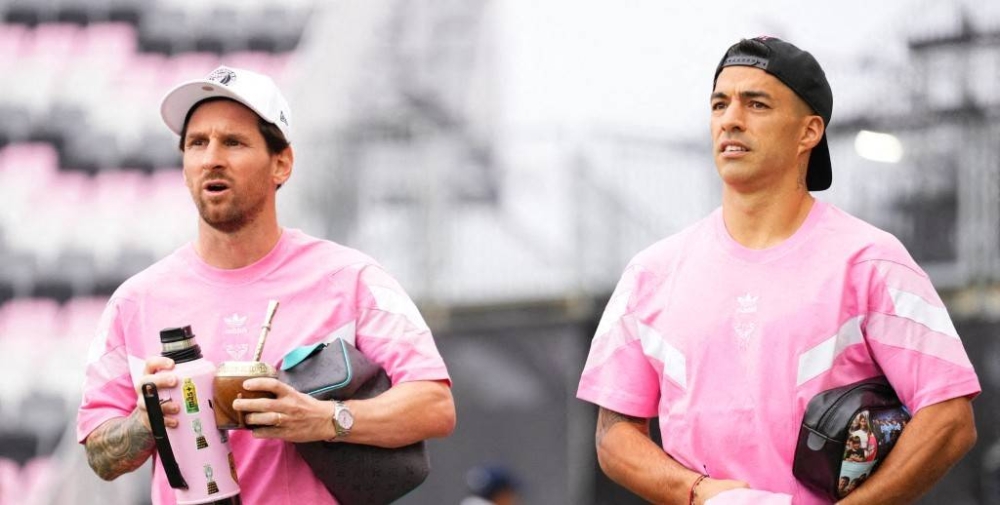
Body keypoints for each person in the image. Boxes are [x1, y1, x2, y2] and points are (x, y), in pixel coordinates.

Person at [576, 36, 979, 504]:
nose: (730, 119)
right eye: (720, 104)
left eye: (757, 104)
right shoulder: (650, 274)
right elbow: (613, 435)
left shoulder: (872, 261)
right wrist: (700, 493)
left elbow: (950, 419)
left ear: (809, 132)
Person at [76, 66, 456, 504]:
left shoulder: (351, 279)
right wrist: (146, 422)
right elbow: (100, 455)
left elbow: (434, 406)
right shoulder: (136, 301)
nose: (211, 158)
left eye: (233, 142)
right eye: (197, 143)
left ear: (281, 163)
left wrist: (326, 419)